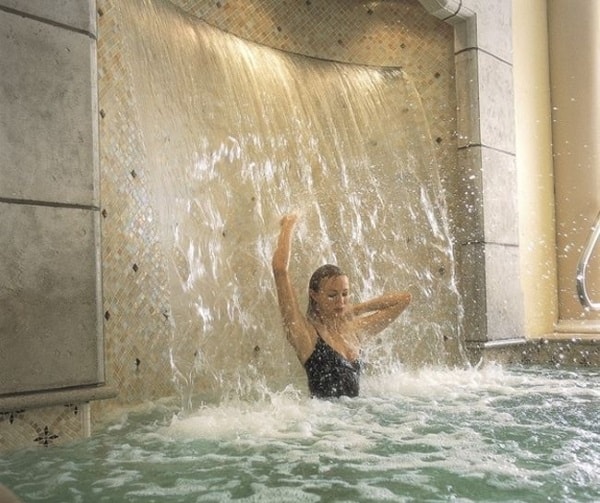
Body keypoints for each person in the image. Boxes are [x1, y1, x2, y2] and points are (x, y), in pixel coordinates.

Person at [272, 214, 412, 398]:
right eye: (332, 295)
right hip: (326, 424)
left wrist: (358, 309)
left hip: (354, 422)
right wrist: (288, 225)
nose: (340, 302)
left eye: (345, 294)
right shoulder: (306, 336)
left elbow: (403, 299)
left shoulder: (353, 330)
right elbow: (280, 270)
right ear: (314, 295)